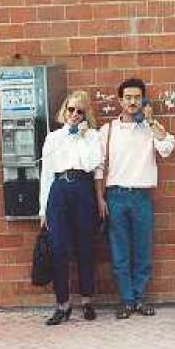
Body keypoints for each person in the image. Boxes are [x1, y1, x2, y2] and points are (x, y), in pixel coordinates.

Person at [94, 78, 175, 319]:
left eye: (137, 97)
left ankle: (140, 298)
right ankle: (127, 300)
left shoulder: (150, 128)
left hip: (141, 196)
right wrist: (100, 198)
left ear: (143, 100)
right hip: (116, 196)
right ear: (120, 100)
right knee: (119, 251)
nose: (132, 102)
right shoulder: (107, 131)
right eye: (128, 97)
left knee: (142, 250)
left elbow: (167, 147)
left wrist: (150, 120)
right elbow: (98, 167)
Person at [39, 90, 102, 325]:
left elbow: (91, 164)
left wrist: (82, 136)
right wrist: (43, 210)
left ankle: (87, 300)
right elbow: (46, 174)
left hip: (83, 189)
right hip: (59, 190)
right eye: (71, 109)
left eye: (80, 111)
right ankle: (63, 304)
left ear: (86, 115)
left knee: (86, 246)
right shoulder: (53, 138)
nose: (75, 114)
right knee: (58, 248)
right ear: (64, 110)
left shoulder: (92, 136)